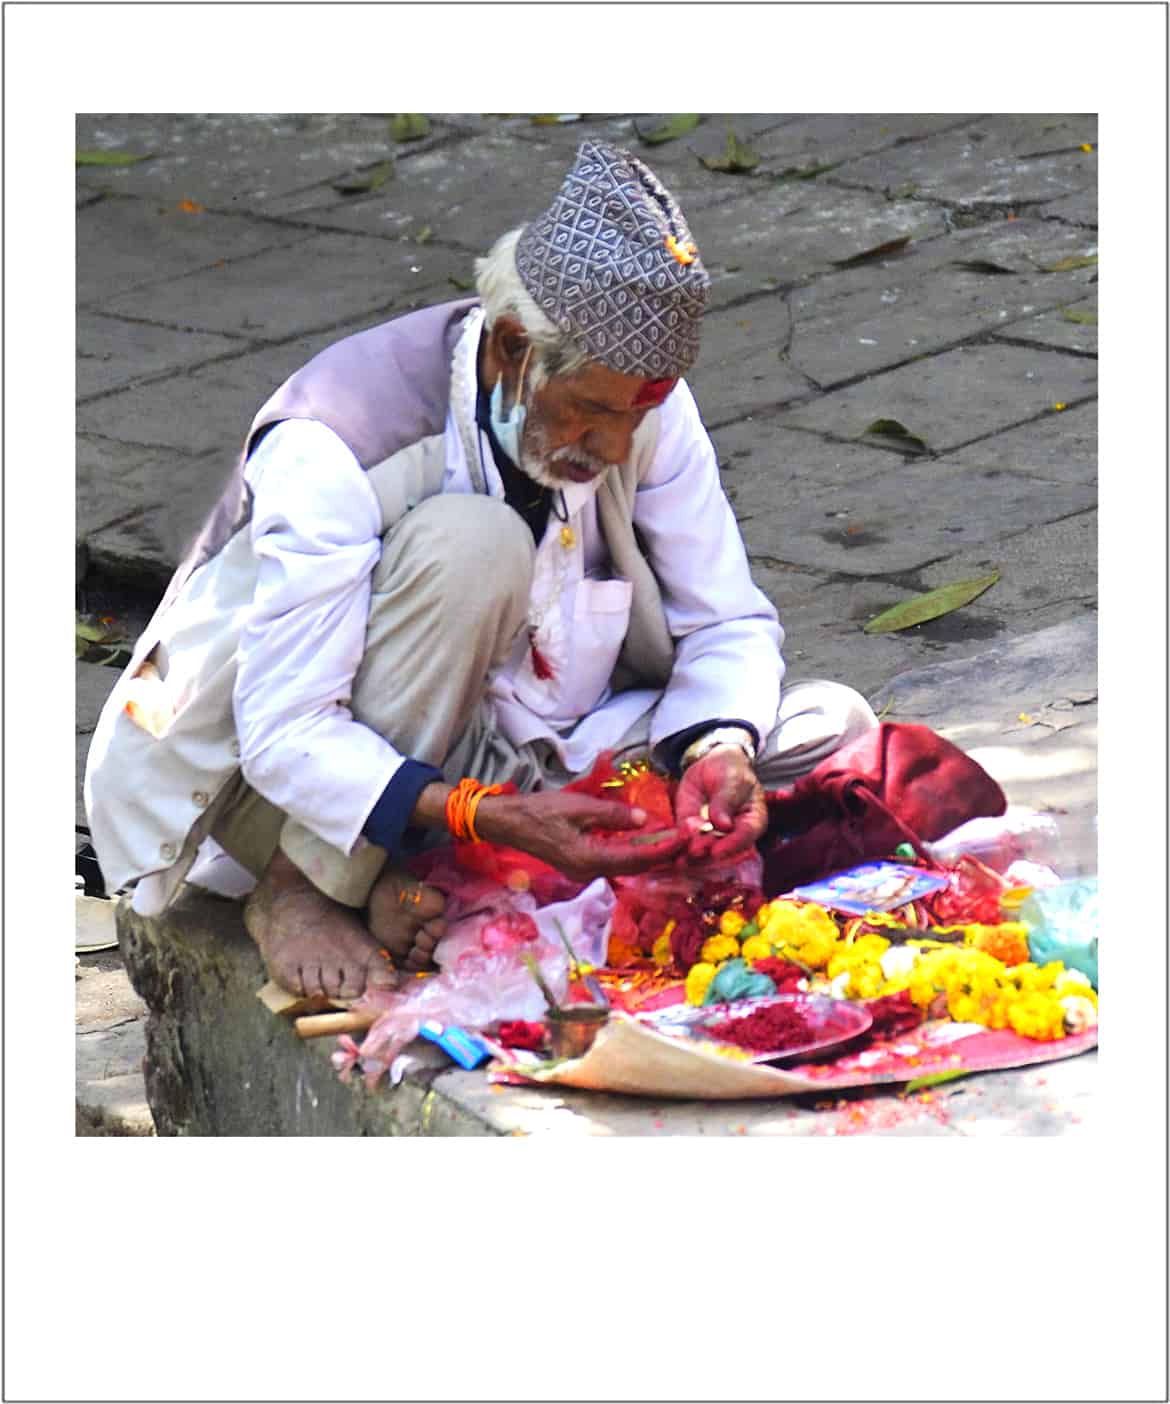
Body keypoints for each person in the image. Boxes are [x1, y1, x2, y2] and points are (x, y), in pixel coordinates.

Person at [85, 141, 877, 1000]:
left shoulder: (643, 401)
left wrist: (717, 750)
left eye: (633, 414)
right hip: (298, 775)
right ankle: (302, 886)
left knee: (830, 726)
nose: (616, 446)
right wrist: (482, 814)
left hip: (535, 750)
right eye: (591, 413)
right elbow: (286, 734)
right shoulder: (334, 444)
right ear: (512, 347)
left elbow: (726, 620)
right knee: (475, 544)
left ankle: (423, 873)